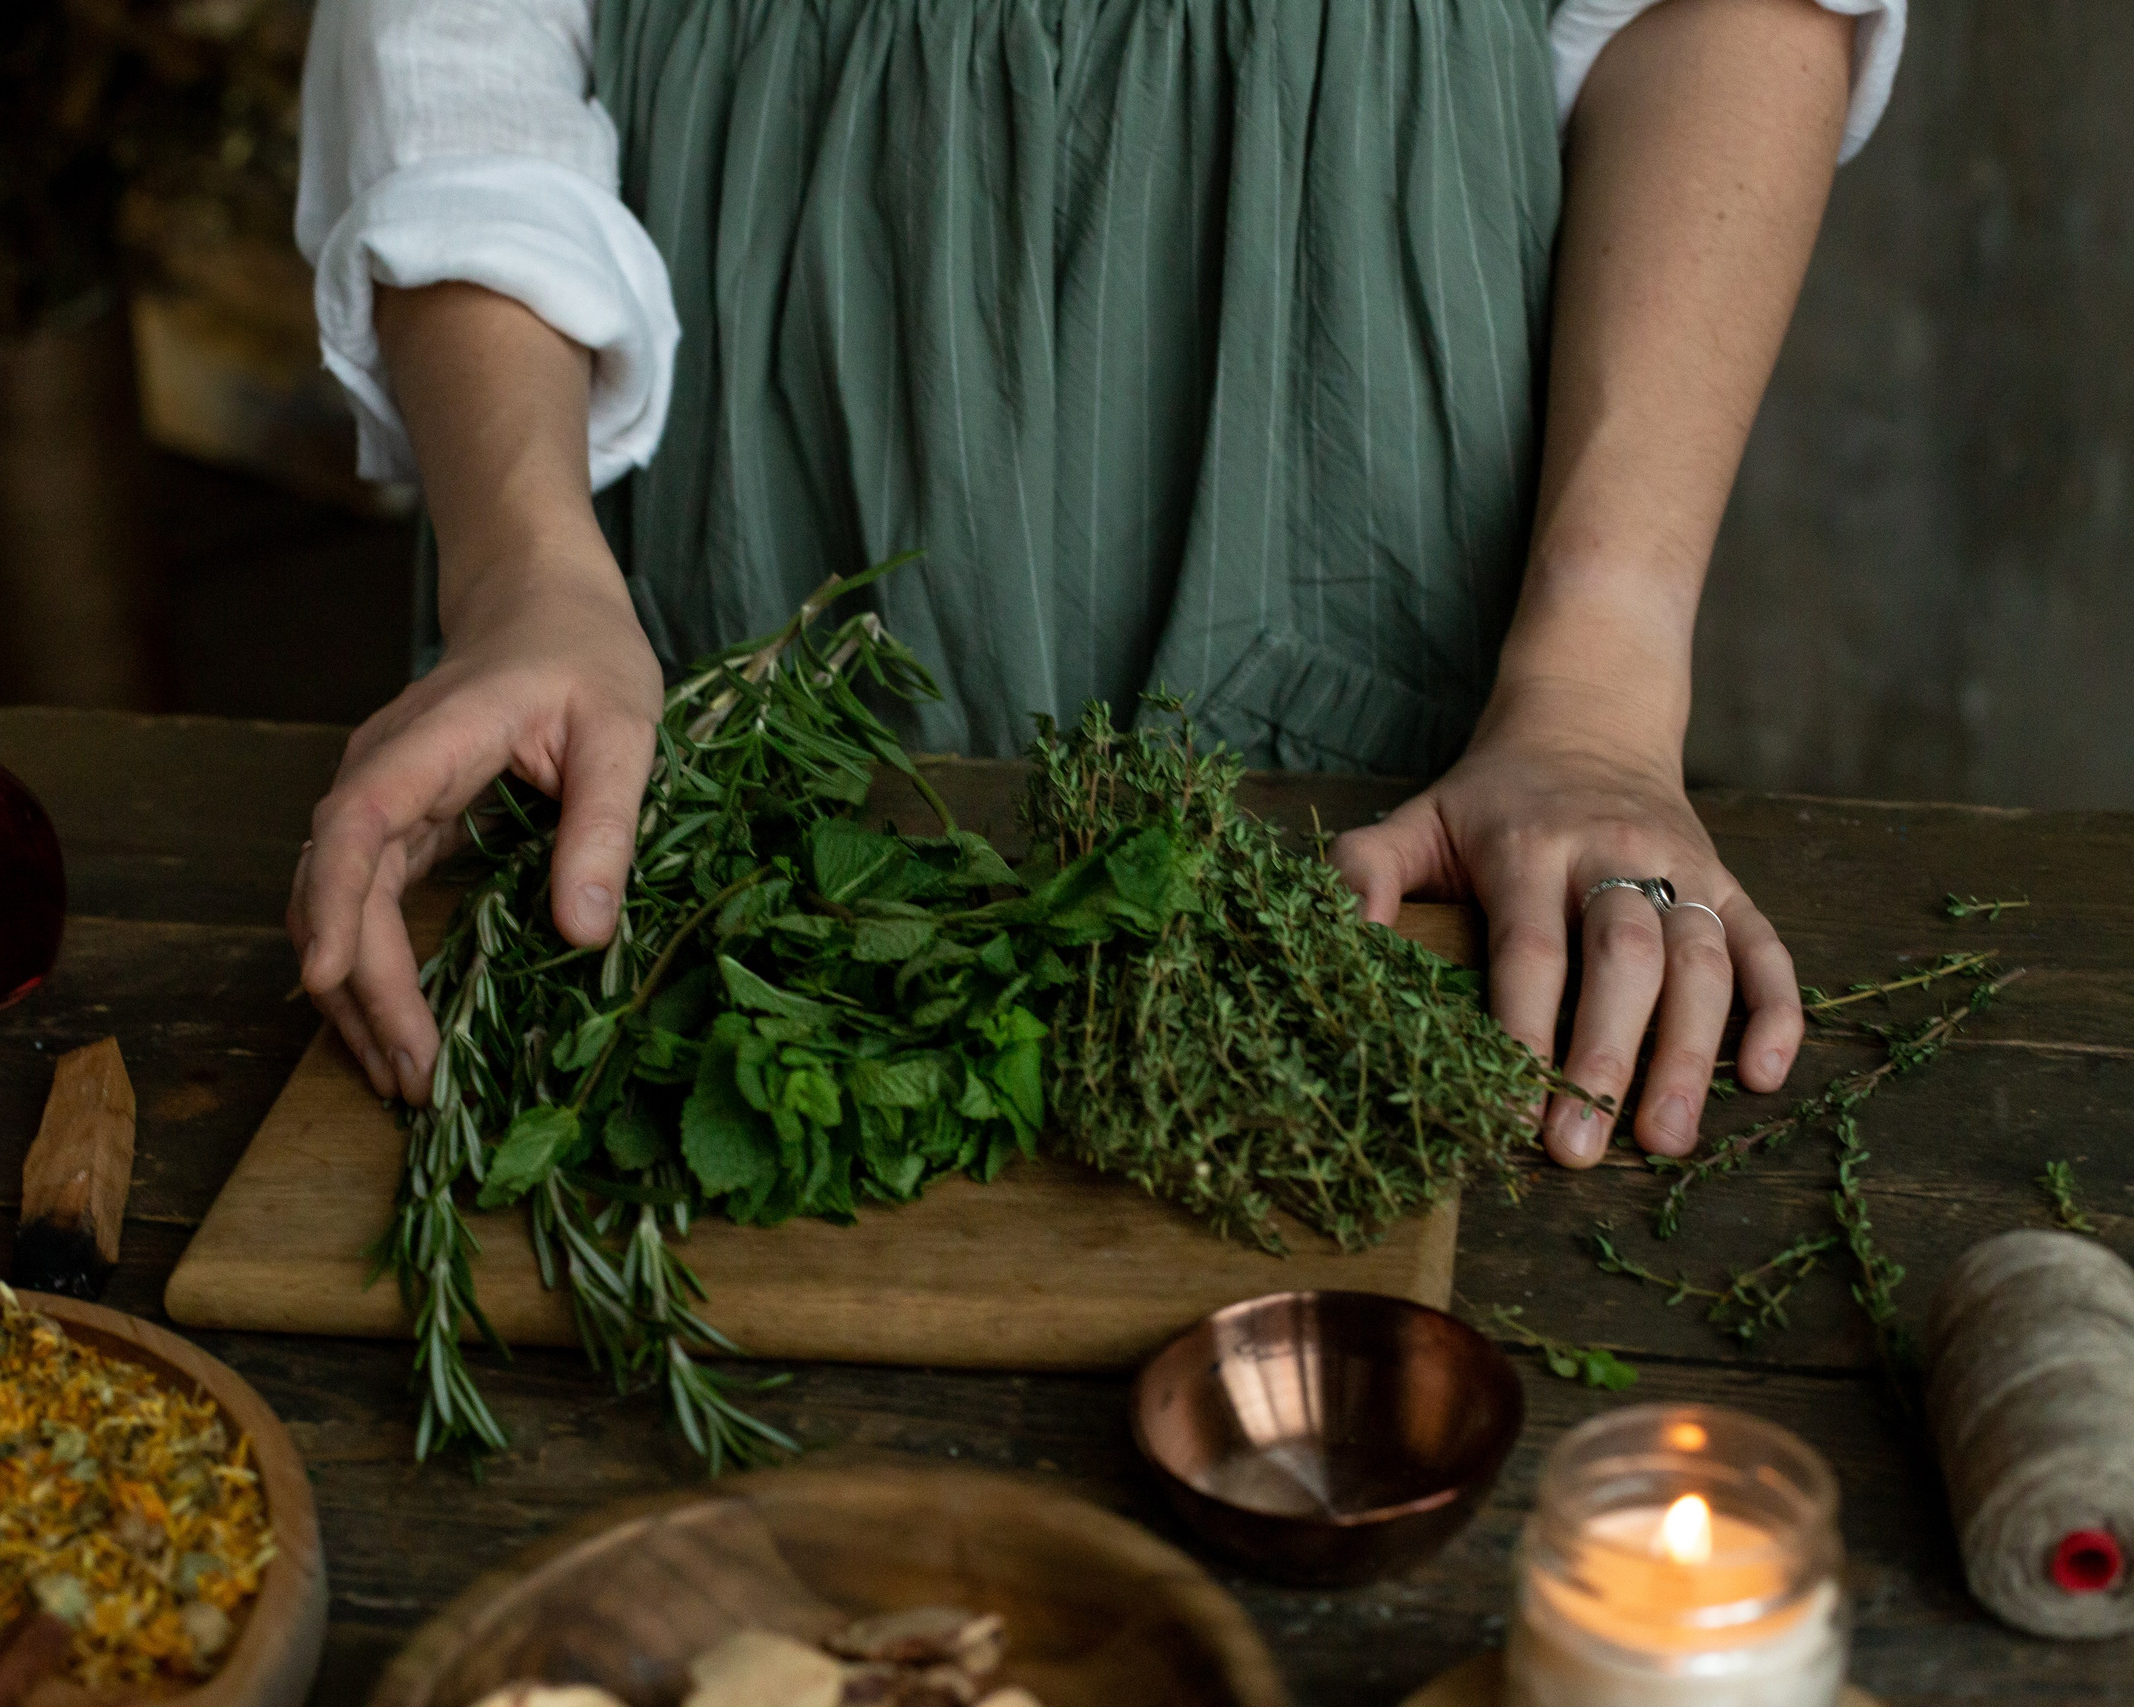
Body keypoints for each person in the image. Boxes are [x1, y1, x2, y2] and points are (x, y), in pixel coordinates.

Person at [287, 0, 1906, 1170]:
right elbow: (456, 44)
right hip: (748, 370)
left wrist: (1597, 687)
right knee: (697, 1007)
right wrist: (527, 570)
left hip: (1338, 352)